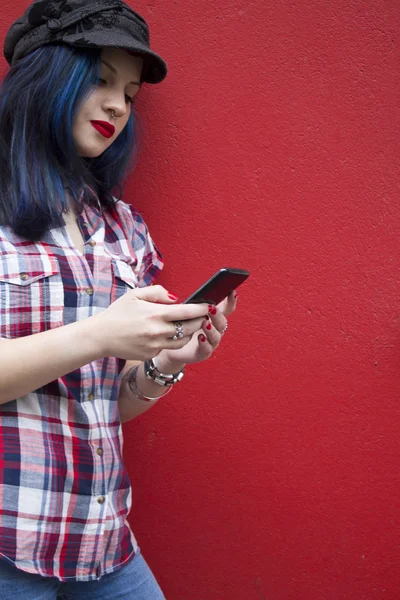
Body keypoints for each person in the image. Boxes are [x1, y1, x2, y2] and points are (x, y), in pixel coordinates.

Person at [0, 1, 237, 598]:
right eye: (102, 79)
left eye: (128, 93)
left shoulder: (121, 227)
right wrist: (102, 333)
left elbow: (112, 403)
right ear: (46, 76)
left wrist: (164, 364)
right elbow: (95, 344)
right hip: (8, 544)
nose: (117, 105)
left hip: (101, 542)